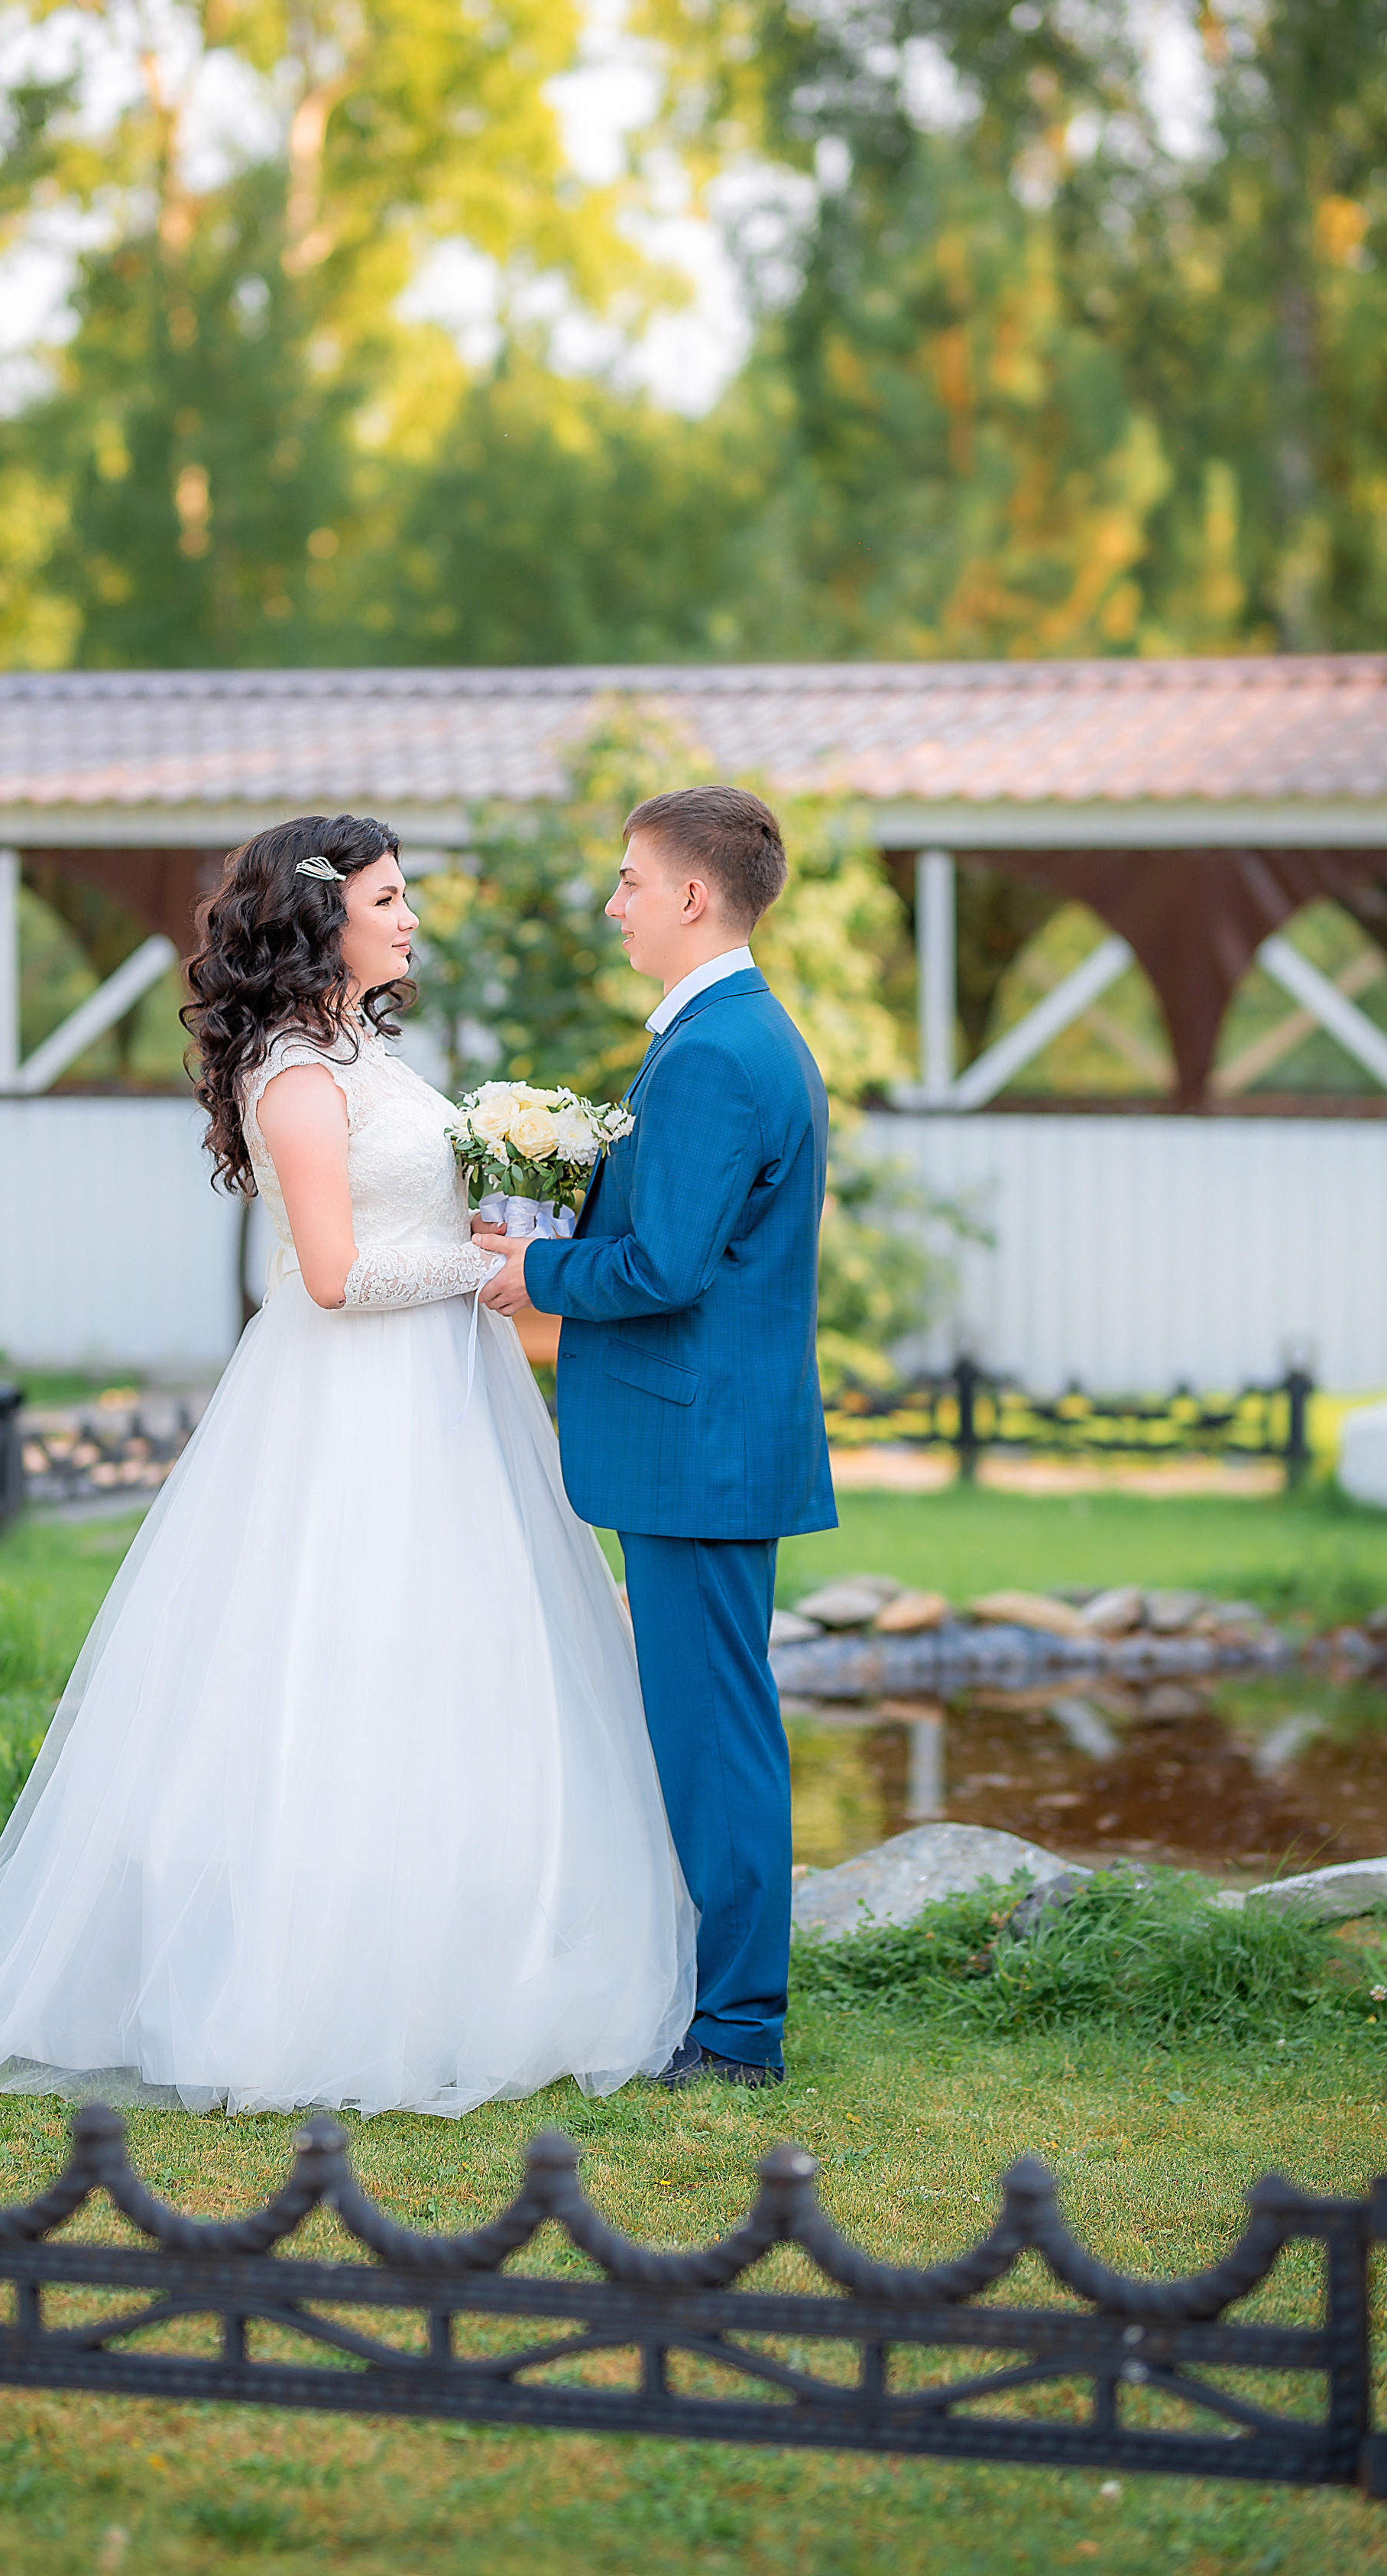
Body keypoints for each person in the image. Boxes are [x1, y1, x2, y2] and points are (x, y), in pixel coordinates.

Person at [0, 814, 693, 2118]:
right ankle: (308, 1981)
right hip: (354, 1404)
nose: (411, 919)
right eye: (390, 897)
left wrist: (491, 1219)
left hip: (450, 1395)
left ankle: (466, 1949)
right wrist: (492, 1267)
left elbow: (396, 1214)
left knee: (464, 1663)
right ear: (323, 917)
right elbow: (335, 1274)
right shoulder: (299, 1074)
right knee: (335, 1663)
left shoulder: (372, 1052)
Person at [476, 785, 835, 2089]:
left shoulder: (716, 1056)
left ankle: (738, 2033)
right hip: (711, 1443)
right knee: (710, 1727)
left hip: (702, 1452)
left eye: (631, 880)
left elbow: (667, 1268)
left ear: (695, 896)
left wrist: (537, 1271)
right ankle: (719, 2002)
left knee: (713, 1739)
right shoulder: (727, 1037)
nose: (613, 903)